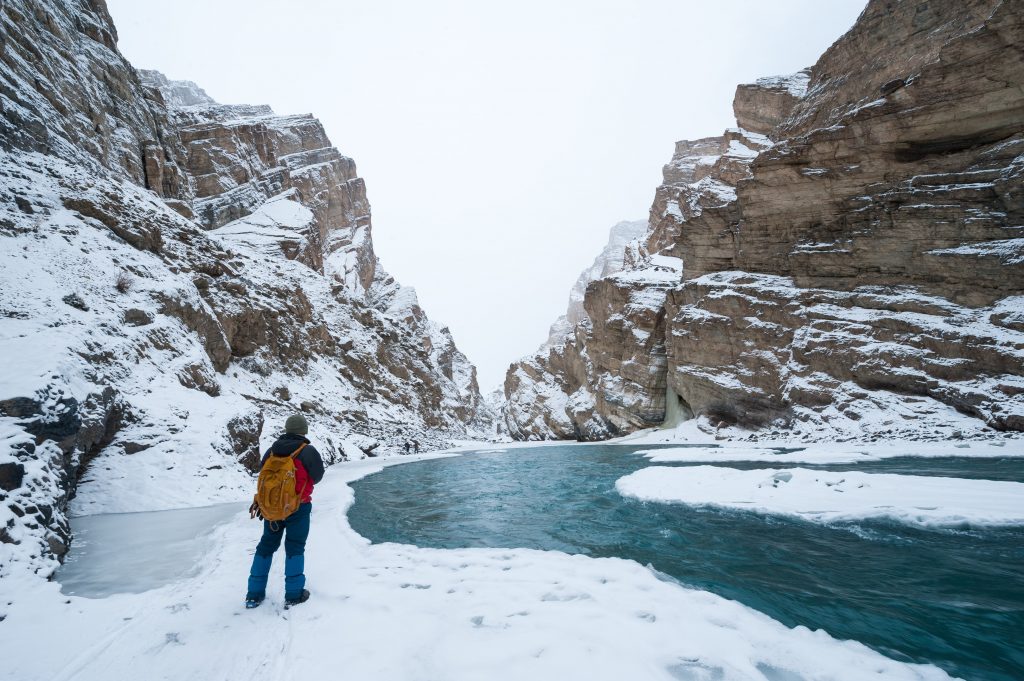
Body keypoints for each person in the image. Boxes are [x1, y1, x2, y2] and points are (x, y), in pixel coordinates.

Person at [244, 414, 325, 609]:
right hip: (298, 507)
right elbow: (318, 476)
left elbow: (263, 471)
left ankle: (254, 595)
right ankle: (294, 594)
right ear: (303, 430)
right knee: (295, 547)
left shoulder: (272, 450)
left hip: (271, 507)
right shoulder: (307, 451)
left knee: (266, 546)